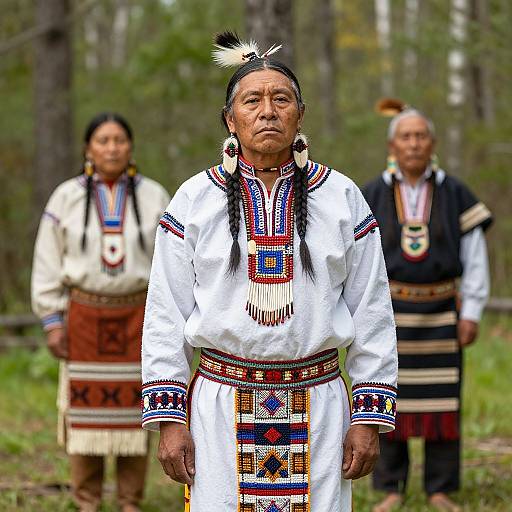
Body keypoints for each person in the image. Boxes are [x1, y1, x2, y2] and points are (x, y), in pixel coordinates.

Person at [141, 32, 398, 512]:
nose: (267, 111)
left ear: (300, 114)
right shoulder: (193, 201)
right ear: (230, 119)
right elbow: (164, 313)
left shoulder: (342, 199)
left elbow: (372, 311)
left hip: (319, 408)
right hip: (219, 410)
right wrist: (170, 420)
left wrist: (367, 418)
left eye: (281, 99)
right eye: (252, 100)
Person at [31, 112, 170, 512]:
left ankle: (130, 502)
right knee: (84, 416)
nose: (112, 148)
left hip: (138, 319)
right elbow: (46, 259)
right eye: (103, 140)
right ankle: (86, 501)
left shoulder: (154, 195)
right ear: (88, 148)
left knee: (139, 412)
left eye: (120, 140)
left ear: (131, 147)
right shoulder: (66, 197)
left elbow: (171, 261)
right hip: (84, 318)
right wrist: (52, 320)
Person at [364, 100, 493, 512]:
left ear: (432, 143)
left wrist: (471, 311)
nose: (414, 143)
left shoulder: (455, 192)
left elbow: (475, 257)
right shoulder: (370, 195)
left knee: (443, 402)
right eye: (406, 136)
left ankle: (440, 488)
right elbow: (360, 260)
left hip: (442, 313)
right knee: (386, 394)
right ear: (392, 144)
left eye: (421, 136)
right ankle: (390, 488)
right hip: (389, 314)